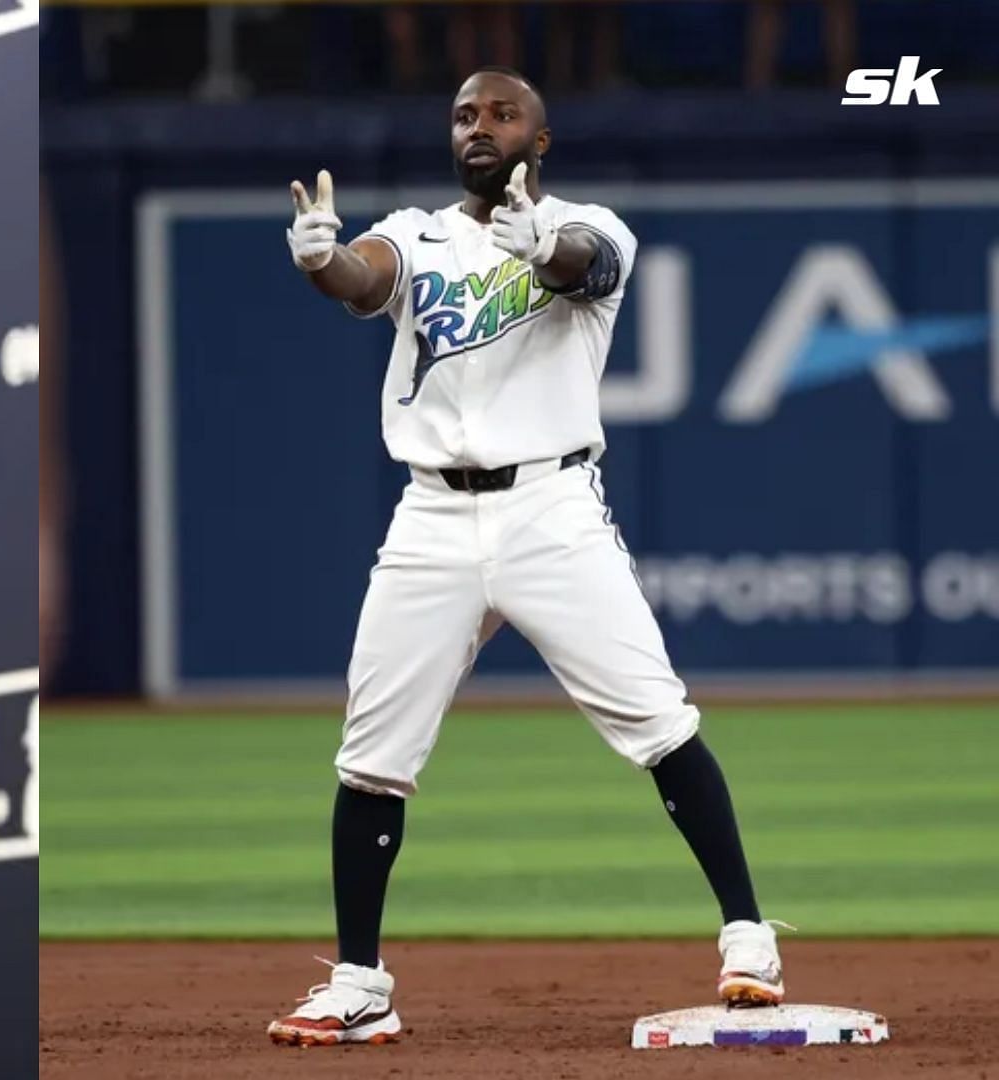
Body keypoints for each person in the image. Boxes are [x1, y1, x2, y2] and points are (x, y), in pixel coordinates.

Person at [267, 67, 787, 1048]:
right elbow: (364, 282)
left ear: (537, 142)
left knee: (658, 722)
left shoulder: (594, 223)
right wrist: (321, 261)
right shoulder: (418, 232)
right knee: (371, 758)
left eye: (503, 114)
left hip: (550, 508)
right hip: (430, 517)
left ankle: (748, 934)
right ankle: (358, 981)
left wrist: (544, 242)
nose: (480, 126)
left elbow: (581, 265)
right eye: (465, 114)